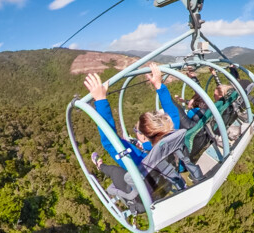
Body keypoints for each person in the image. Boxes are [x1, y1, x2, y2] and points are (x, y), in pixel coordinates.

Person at [84, 63, 200, 211]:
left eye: (137, 130)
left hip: (150, 189)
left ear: (144, 137)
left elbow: (109, 141)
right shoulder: (172, 139)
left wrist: (101, 101)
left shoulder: (140, 162)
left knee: (114, 170)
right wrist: (159, 85)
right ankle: (101, 164)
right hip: (168, 179)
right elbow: (173, 114)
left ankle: (99, 165)